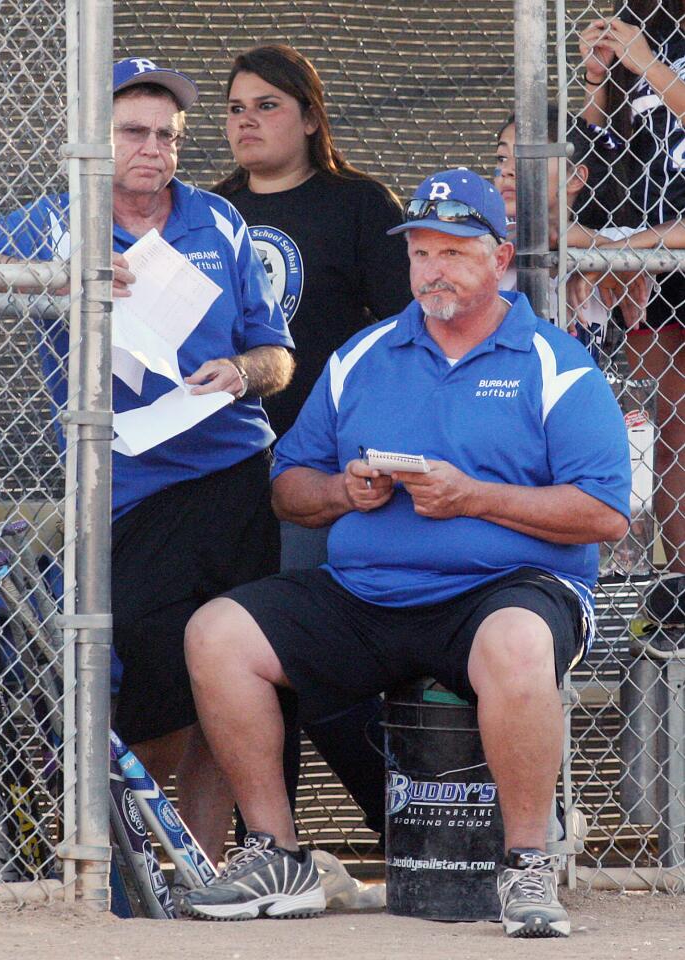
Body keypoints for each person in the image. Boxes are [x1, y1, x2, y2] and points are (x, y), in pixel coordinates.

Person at [179, 169, 631, 937]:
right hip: (369, 590)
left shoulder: (556, 363)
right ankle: (278, 853)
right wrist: (343, 493)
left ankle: (526, 865)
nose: (433, 270)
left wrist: (473, 496)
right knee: (217, 633)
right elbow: (289, 484)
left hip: (506, 589)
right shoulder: (365, 354)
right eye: (421, 253)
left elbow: (604, 514)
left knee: (519, 643)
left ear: (499, 259)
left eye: (454, 251)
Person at [0, 57, 295, 863]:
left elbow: (277, 355)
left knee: (237, 689)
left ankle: (215, 872)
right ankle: (135, 874)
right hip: (130, 490)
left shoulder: (218, 218)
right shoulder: (54, 224)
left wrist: (243, 372)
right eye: (133, 132)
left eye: (168, 135)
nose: (154, 149)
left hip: (238, 474)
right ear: (92, 139)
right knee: (156, 699)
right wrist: (60, 283)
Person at [212, 43, 412, 839]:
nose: (247, 121)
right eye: (234, 107)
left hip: (325, 475)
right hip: (224, 471)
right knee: (242, 662)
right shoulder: (210, 213)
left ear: (310, 114)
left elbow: (407, 339)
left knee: (317, 666)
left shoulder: (361, 205)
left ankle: (420, 833)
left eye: (267, 104)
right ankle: (271, 845)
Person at [579, 2, 684, 586]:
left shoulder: (651, 49)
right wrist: (598, 76)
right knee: (667, 433)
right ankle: (680, 589)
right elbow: (599, 155)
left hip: (668, 240)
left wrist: (648, 64)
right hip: (645, 256)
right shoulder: (635, 29)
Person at [495, 106, 649, 349]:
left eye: (528, 158)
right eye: (502, 158)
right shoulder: (487, 234)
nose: (507, 170)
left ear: (574, 177)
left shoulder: (608, 238)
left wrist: (601, 256)